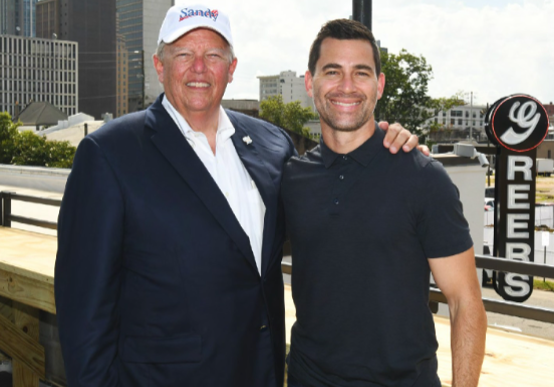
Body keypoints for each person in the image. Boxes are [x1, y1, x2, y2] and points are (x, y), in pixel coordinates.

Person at [54, 4, 420, 387]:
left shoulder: (271, 143)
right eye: (183, 54)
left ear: (231, 69)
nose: (199, 67)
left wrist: (390, 154)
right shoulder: (109, 154)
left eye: (213, 55)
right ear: (159, 66)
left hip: (261, 372)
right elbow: (84, 313)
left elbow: (328, 195)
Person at [282, 19, 487, 387]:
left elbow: (464, 302)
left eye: (360, 73)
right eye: (332, 71)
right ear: (310, 82)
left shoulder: (423, 177)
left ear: (379, 85)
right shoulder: (292, 178)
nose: (347, 86)